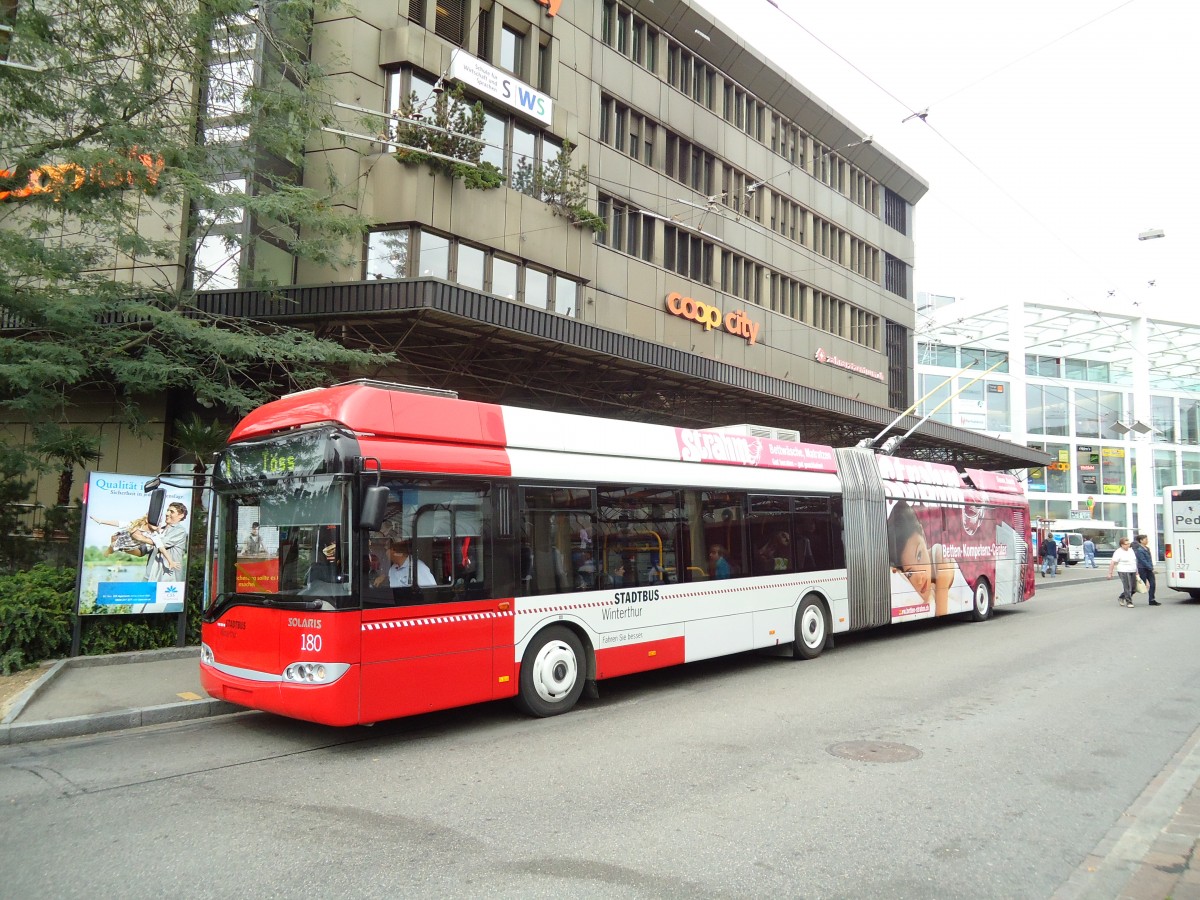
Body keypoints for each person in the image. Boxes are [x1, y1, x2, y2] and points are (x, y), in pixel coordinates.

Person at [888, 499, 967, 616]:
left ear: (924, 535)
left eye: (919, 556)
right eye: (910, 574)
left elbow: (941, 615)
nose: (920, 579)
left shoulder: (940, 557)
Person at [134, 502, 188, 583]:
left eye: (171, 511)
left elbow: (161, 543)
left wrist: (140, 537)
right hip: (150, 577)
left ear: (181, 515)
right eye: (167, 510)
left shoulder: (180, 530)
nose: (167, 513)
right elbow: (145, 549)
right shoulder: (160, 530)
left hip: (166, 578)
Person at [1107, 536, 1139, 607]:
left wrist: (1137, 572)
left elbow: (1134, 561)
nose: (1128, 545)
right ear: (1122, 545)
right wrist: (1110, 573)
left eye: (1129, 543)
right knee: (1127, 586)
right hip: (1123, 570)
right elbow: (1113, 562)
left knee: (1133, 588)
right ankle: (1129, 602)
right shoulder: (1118, 552)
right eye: (1126, 544)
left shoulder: (1131, 550)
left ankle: (1122, 597)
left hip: (1132, 570)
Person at [1134, 534, 1159, 605]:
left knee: (1153, 584)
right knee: (1141, 585)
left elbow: (1149, 559)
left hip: (1149, 569)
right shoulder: (1139, 550)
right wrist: (1151, 568)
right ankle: (1126, 595)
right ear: (1141, 541)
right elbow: (1143, 560)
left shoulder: (1147, 548)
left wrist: (1151, 567)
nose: (1147, 541)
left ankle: (1152, 599)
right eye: (1145, 539)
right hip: (1142, 569)